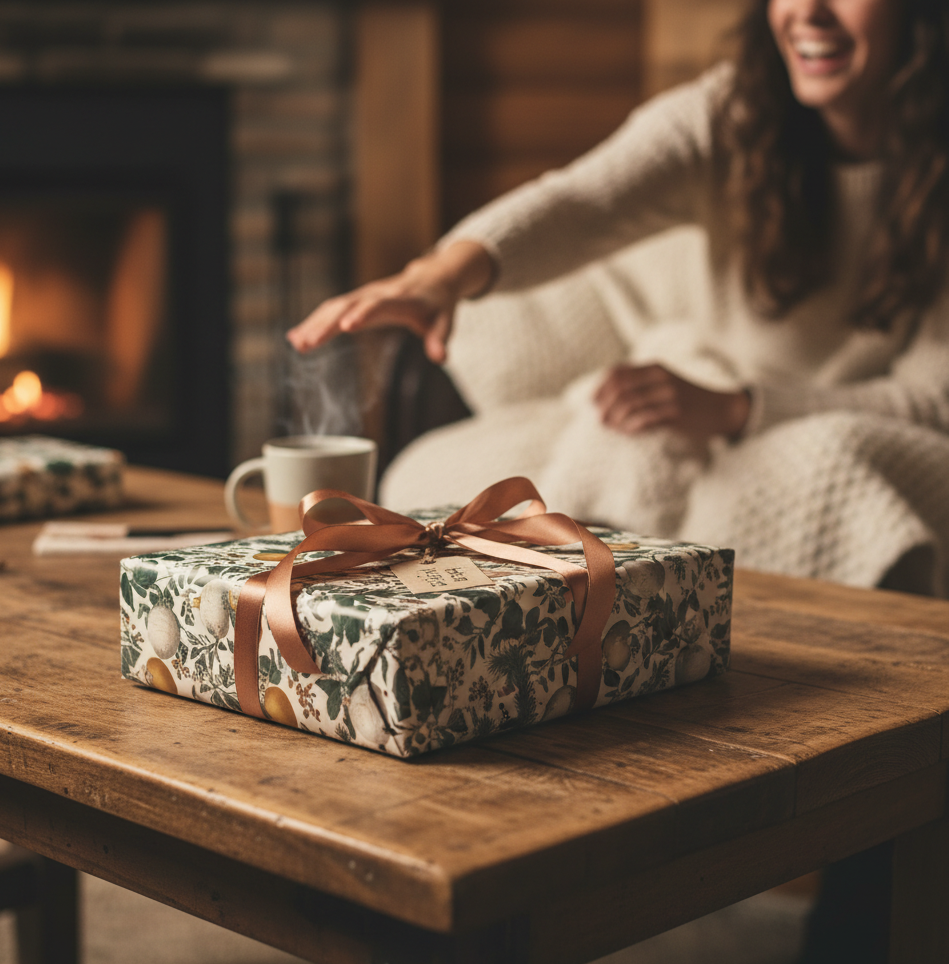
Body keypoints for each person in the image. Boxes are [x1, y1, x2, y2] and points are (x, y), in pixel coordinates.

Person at [290, 0, 949, 602]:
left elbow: (931, 400)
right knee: (440, 474)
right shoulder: (729, 113)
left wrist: (734, 408)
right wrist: (438, 276)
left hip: (823, 415)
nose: (808, 12)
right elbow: (582, 201)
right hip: (704, 400)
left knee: (813, 466)